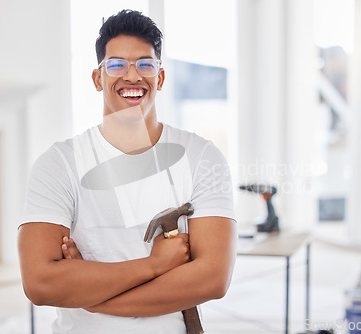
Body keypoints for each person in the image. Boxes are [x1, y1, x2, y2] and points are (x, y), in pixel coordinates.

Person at [18, 9, 237, 334]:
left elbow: (214, 278)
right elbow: (40, 283)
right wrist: (155, 264)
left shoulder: (203, 158)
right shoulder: (59, 163)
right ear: (98, 78)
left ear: (160, 78)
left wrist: (91, 295)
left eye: (145, 64)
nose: (132, 76)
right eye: (117, 64)